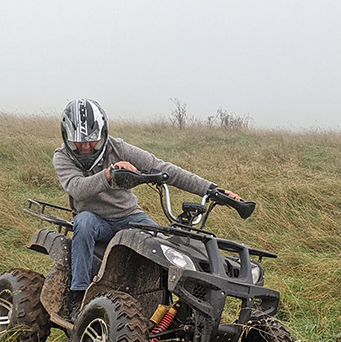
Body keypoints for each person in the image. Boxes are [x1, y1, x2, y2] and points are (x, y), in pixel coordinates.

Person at [53, 98, 241, 312]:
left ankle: (172, 304)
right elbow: (77, 188)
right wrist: (109, 174)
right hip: (94, 220)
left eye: (92, 140)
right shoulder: (62, 157)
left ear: (103, 134)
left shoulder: (118, 148)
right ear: (66, 136)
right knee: (84, 222)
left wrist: (211, 189)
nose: (86, 147)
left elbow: (162, 168)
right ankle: (78, 296)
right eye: (78, 142)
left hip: (129, 217)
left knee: (163, 245)